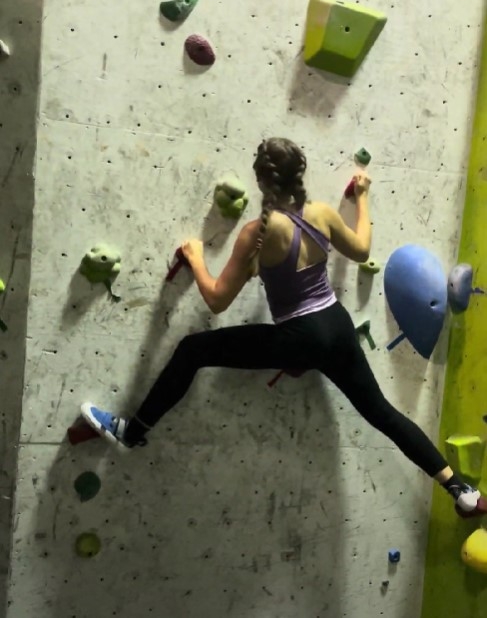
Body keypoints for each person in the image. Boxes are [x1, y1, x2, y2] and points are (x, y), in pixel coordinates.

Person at [81, 137, 484, 517]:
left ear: (260, 181)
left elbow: (218, 300)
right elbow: (361, 249)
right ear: (299, 176)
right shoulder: (322, 214)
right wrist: (361, 197)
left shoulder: (257, 233)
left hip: (298, 337)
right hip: (336, 325)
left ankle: (132, 432)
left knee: (192, 350)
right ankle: (460, 490)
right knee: (382, 412)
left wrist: (197, 257)